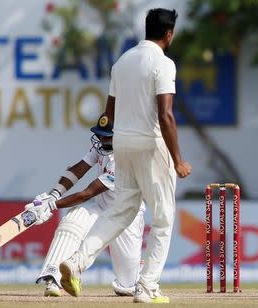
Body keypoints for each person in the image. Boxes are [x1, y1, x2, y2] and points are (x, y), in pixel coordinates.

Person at [58, 8, 192, 304]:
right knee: (163, 219)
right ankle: (146, 287)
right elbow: (165, 114)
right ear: (168, 34)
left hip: (123, 146)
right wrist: (178, 160)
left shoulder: (122, 62)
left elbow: (108, 115)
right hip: (151, 145)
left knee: (121, 212)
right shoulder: (164, 64)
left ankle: (77, 262)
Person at [27, 113, 145, 297]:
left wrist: (51, 206)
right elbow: (79, 168)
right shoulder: (102, 146)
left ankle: (137, 271)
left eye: (107, 136)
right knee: (71, 223)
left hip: (125, 215)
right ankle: (53, 278)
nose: (101, 140)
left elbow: (87, 193)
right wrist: (53, 195)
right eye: (100, 135)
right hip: (101, 206)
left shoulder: (125, 160)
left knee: (127, 287)